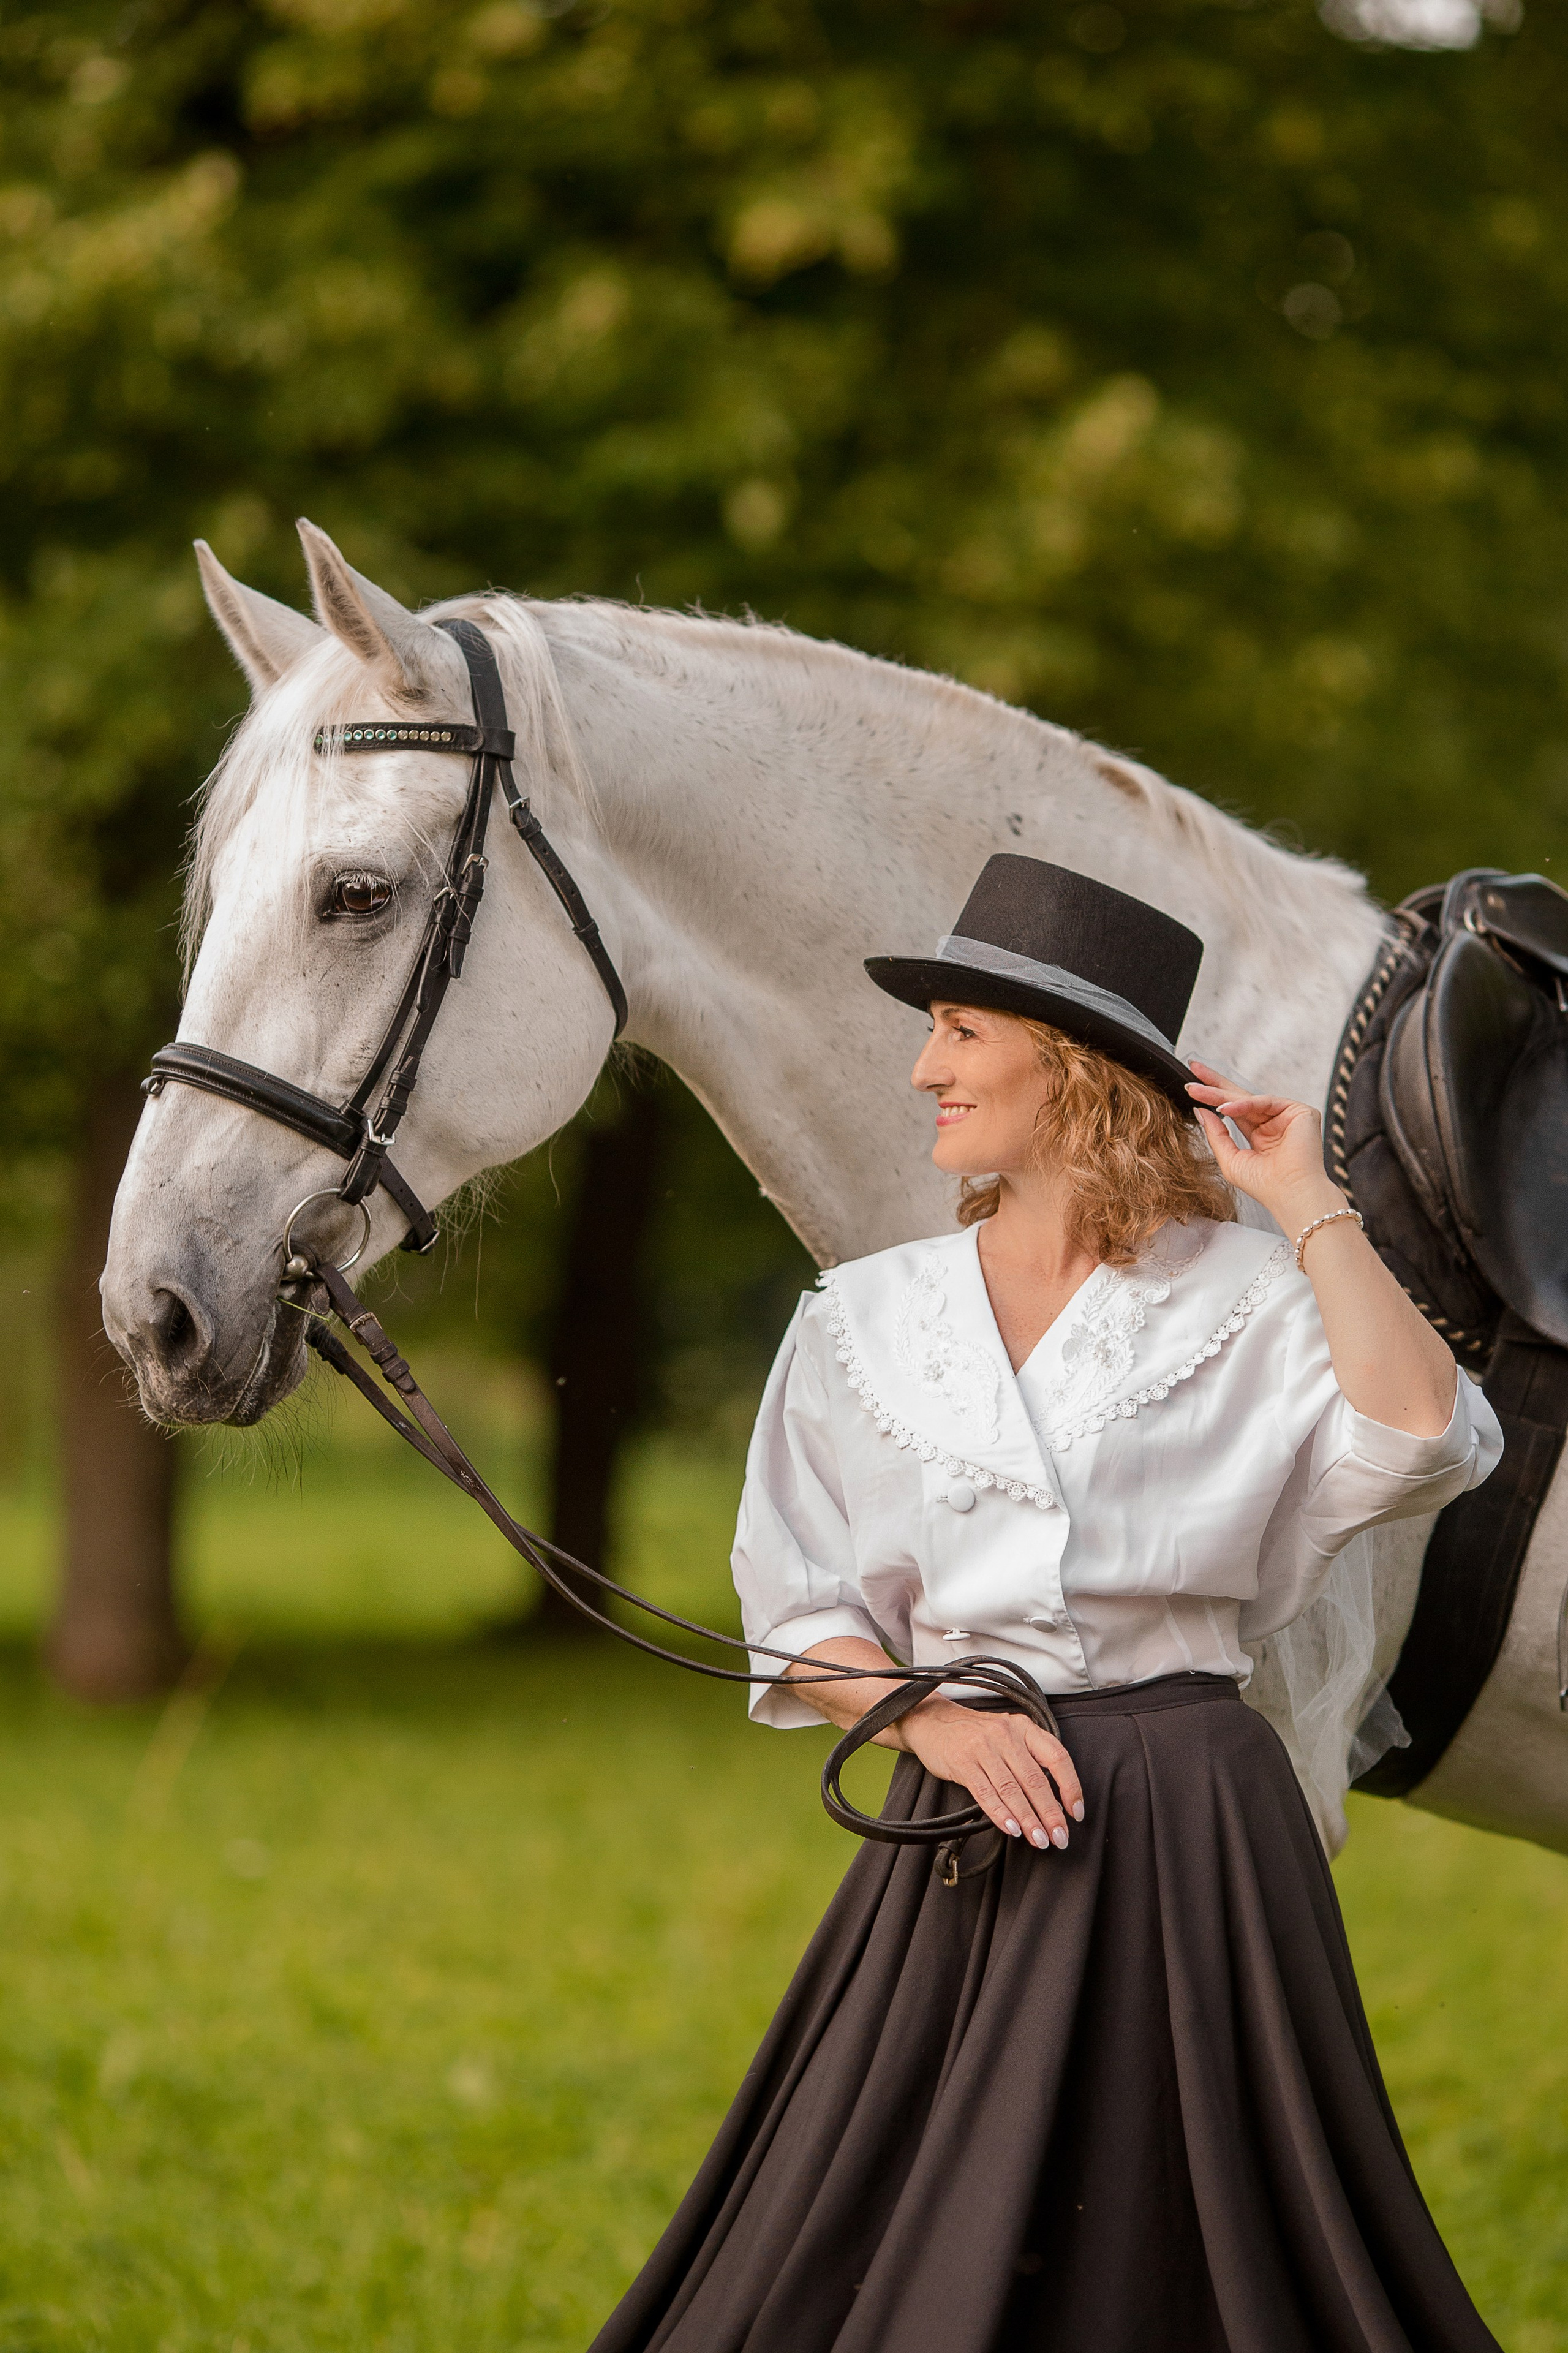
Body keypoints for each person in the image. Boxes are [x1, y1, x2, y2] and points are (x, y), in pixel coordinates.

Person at [590, 854, 1504, 2353]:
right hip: (965, 1813)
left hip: (1193, 1823)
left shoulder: (1253, 1298)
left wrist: (1308, 1203)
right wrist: (923, 1719)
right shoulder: (863, 1315)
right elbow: (792, 1598)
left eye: (960, 1030)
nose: (922, 1067)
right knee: (872, 2230)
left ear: (1070, 1063)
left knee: (1197, 2237)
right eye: (932, 1030)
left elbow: (1424, 1437)